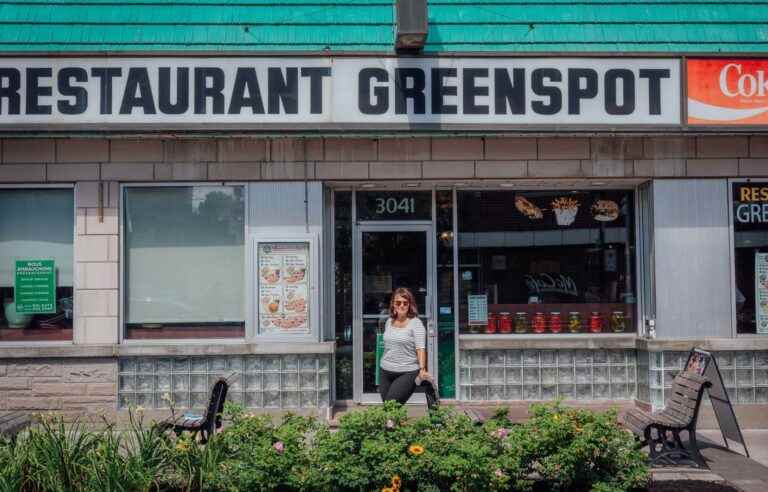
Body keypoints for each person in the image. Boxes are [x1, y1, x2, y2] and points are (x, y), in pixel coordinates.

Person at [379, 287, 431, 405]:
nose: (401, 306)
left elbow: (420, 348)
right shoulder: (389, 322)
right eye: (398, 303)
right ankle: (397, 423)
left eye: (405, 303)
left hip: (407, 372)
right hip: (385, 371)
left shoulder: (415, 323)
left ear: (409, 305)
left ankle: (391, 423)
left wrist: (422, 369)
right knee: (389, 410)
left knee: (390, 407)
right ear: (393, 305)